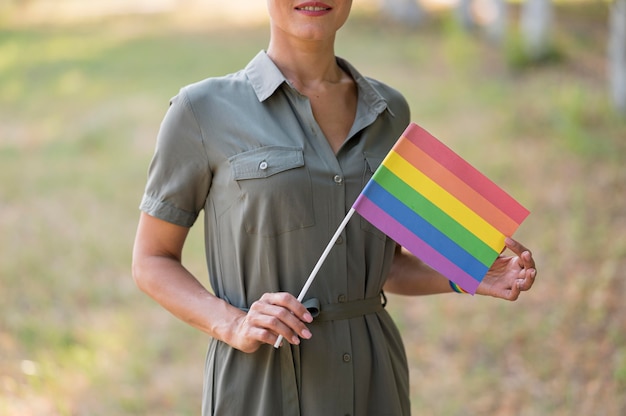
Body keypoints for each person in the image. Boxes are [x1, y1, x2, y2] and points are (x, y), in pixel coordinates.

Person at [131, 1, 537, 415]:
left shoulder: (390, 113)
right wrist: (232, 323)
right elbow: (152, 259)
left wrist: (466, 272)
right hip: (261, 382)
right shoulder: (201, 111)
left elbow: (383, 265)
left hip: (372, 378)